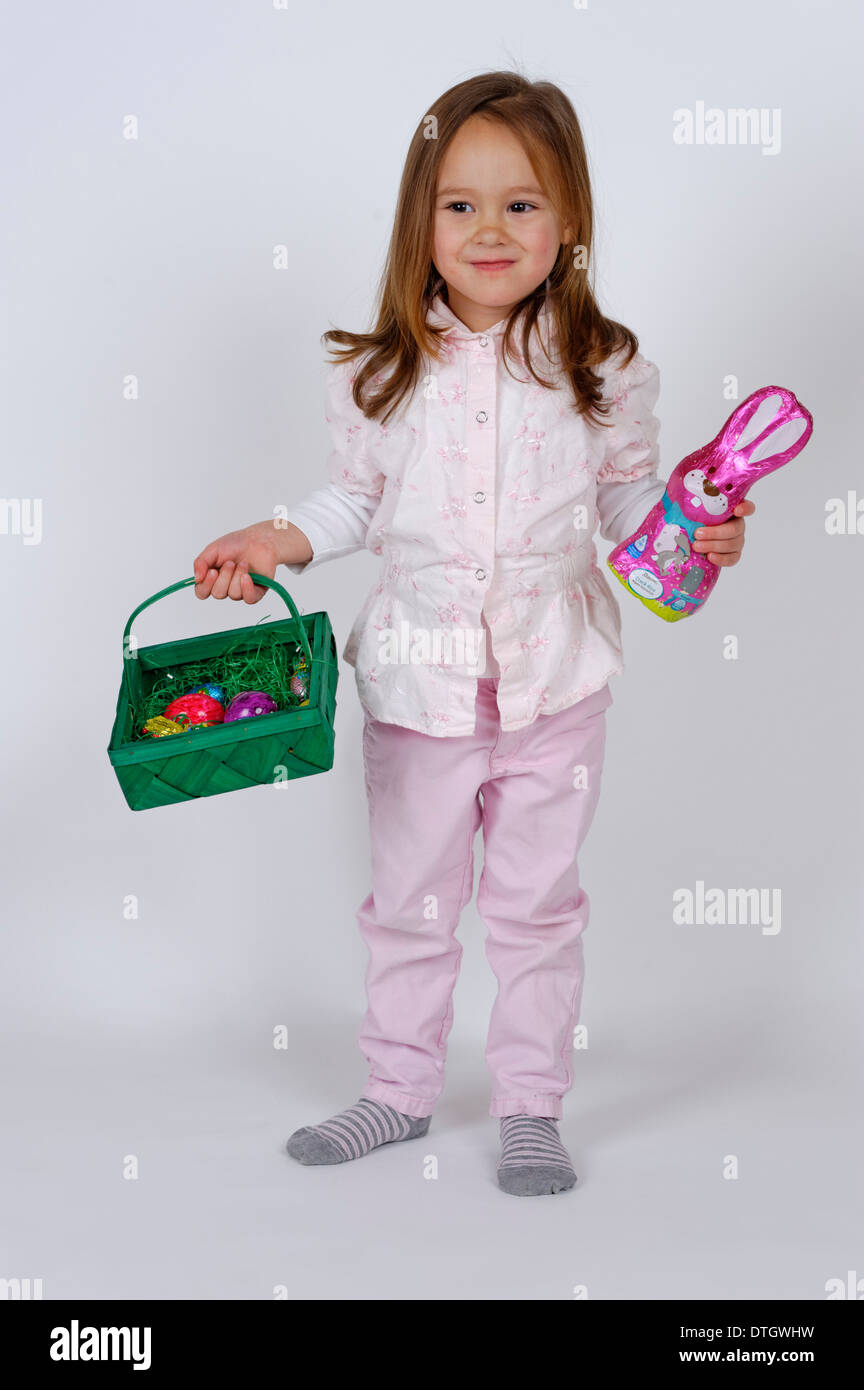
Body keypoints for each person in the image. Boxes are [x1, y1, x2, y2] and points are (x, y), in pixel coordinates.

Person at [193, 71, 753, 1196]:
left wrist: (699, 531)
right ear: (421, 221)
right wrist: (276, 536)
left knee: (537, 905)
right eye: (460, 205)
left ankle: (532, 1105)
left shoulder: (602, 371)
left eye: (522, 204)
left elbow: (630, 506)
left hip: (557, 682)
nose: (490, 230)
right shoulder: (379, 371)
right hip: (420, 683)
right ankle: (398, 1091)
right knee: (409, 901)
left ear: (570, 223)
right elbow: (357, 502)